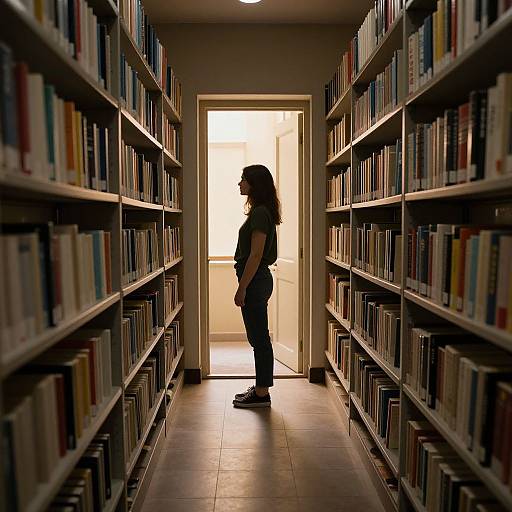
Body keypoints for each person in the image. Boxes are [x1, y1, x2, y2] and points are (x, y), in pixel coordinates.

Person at [232, 164, 281, 408]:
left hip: (255, 280)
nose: (239, 183)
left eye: (243, 179)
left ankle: (262, 393)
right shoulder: (260, 212)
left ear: (254, 184)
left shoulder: (261, 213)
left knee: (259, 339)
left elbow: (255, 255)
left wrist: (242, 288)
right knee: (257, 337)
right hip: (256, 279)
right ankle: (261, 388)